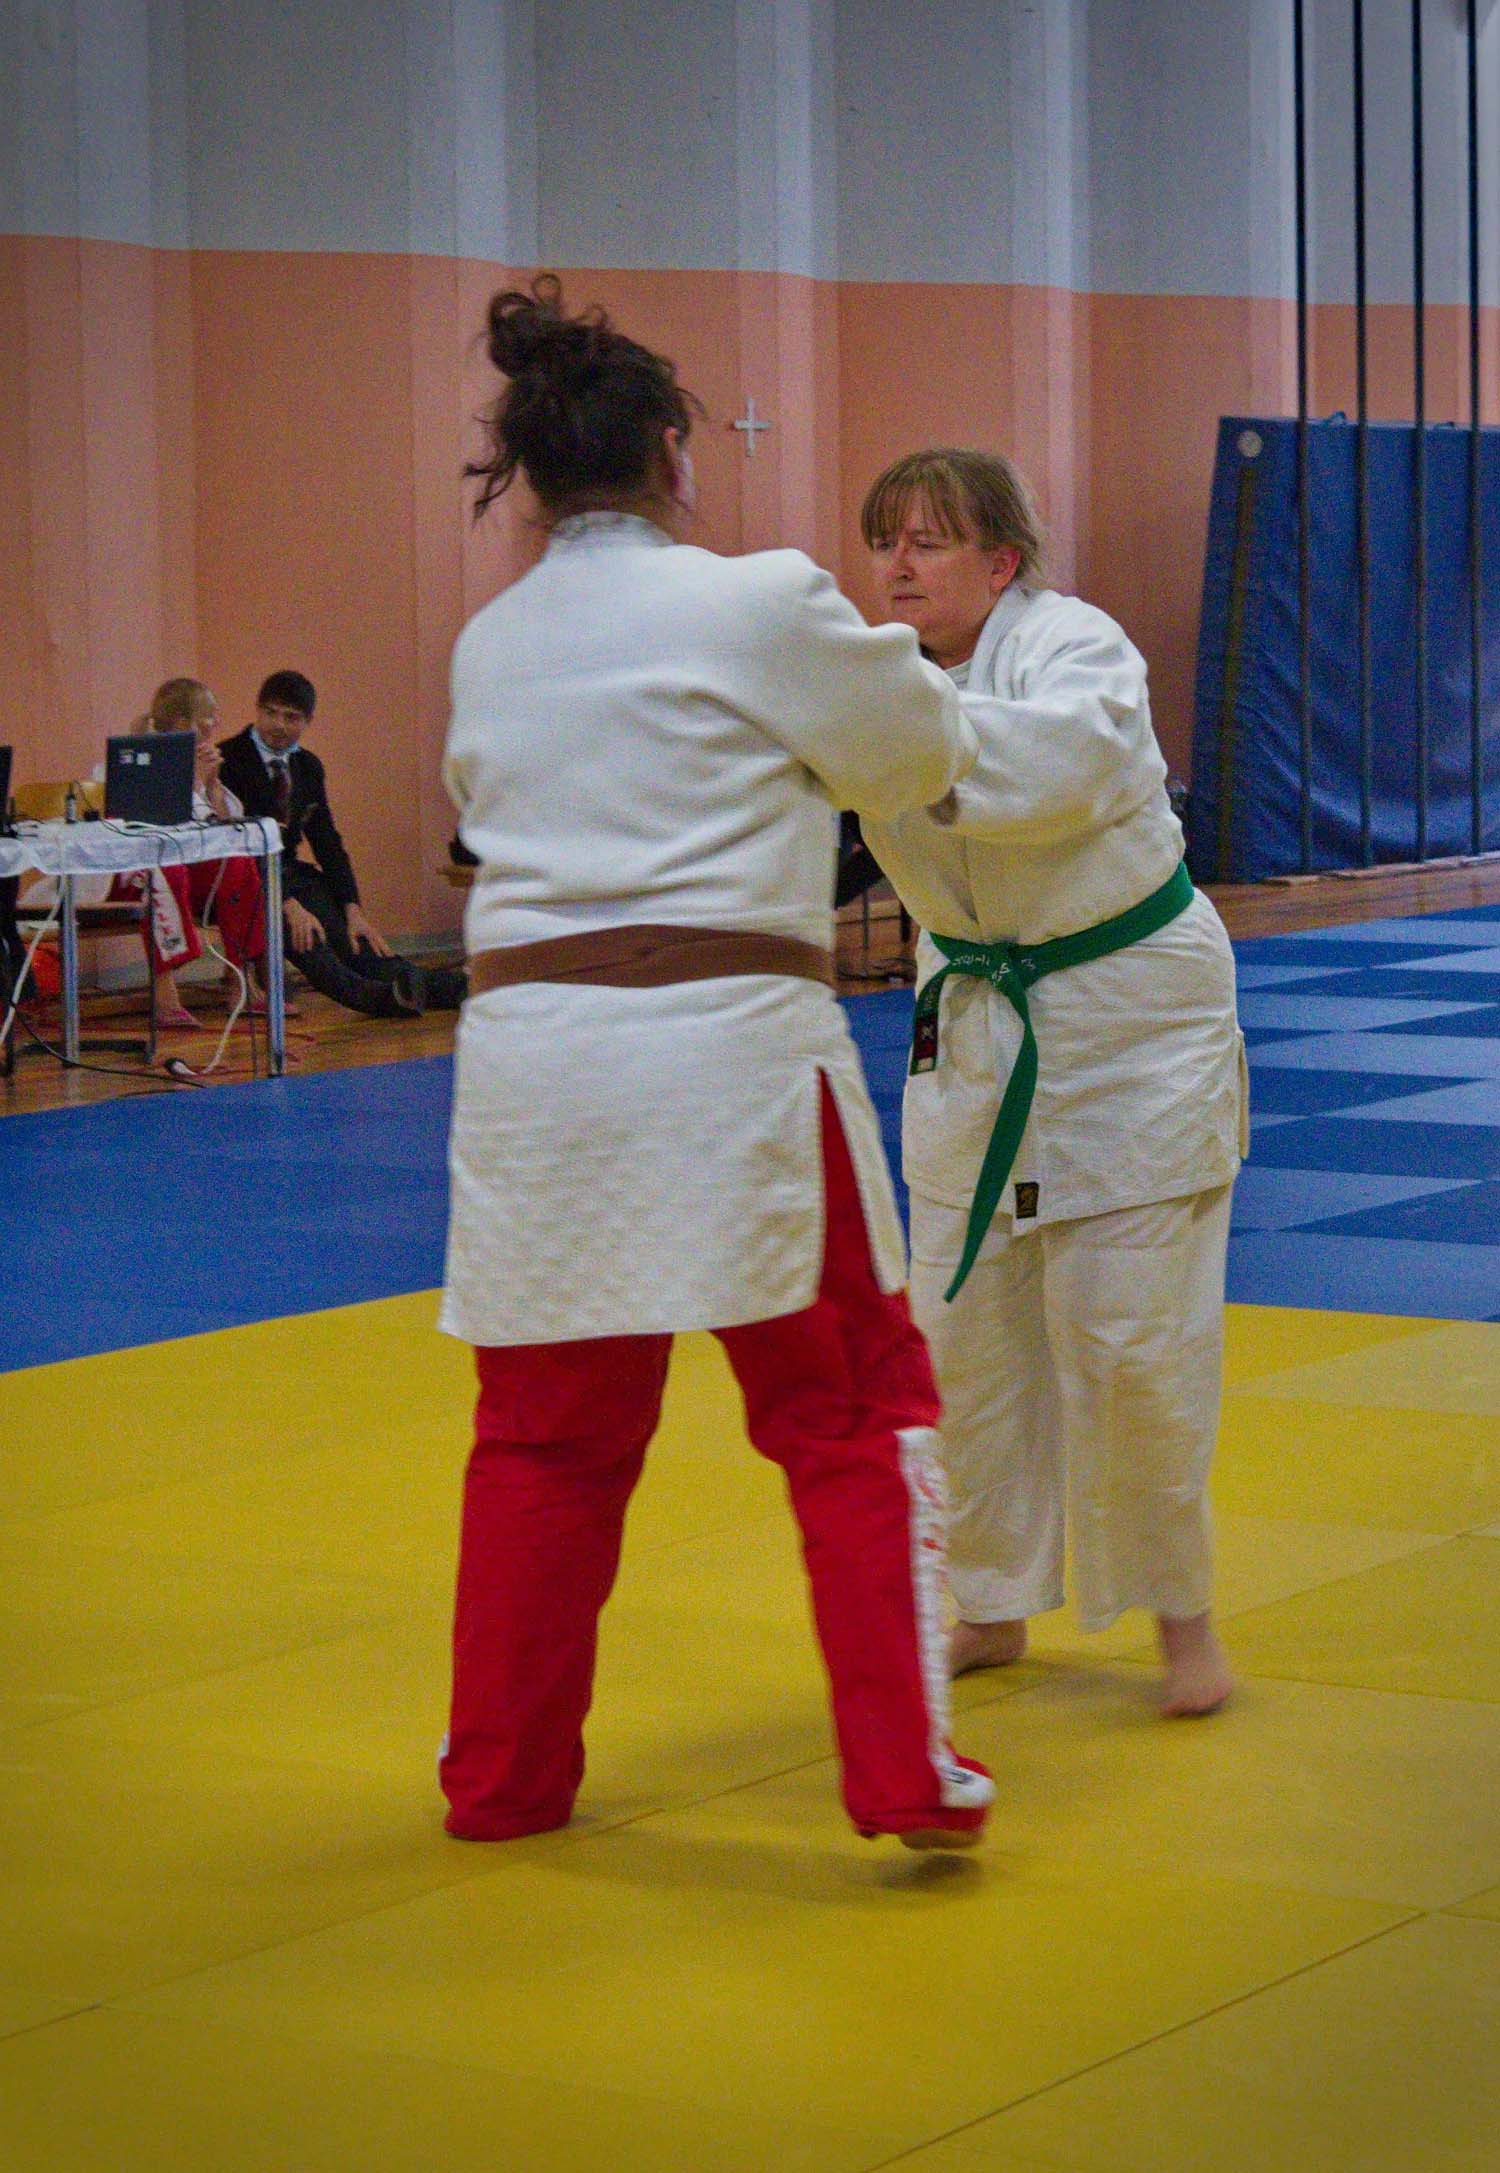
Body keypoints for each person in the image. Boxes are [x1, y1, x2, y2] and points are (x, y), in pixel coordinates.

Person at [438, 277, 994, 1850]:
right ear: (675, 453)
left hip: (534, 1068)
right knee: (851, 1410)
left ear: (532, 477)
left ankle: (503, 1782)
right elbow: (917, 753)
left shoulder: (490, 642)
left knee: (544, 1435)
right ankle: (904, 1772)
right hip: (729, 1051)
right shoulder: (760, 597)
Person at [857, 448, 1247, 1717]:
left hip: (1131, 1023)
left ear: (1002, 561)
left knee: (1133, 1337)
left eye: (928, 540)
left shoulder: (1080, 649)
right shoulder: (878, 680)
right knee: (962, 1334)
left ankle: (1182, 1617)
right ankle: (988, 1600)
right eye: (885, 541)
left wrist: (891, 739)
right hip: (973, 1017)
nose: (898, 564)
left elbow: (1060, 770)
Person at [218, 672, 463, 1018]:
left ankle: (455, 988)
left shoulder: (307, 766)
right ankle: (378, 999)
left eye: (291, 717)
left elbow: (327, 842)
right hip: (249, 877)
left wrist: (352, 907)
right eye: (271, 713)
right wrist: (286, 902)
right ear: (257, 710)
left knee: (356, 943)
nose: (279, 725)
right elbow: (235, 844)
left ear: (308, 721)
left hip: (293, 871)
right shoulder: (228, 760)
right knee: (309, 940)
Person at [115, 678, 267, 1028]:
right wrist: (195, 782)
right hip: (134, 875)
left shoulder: (204, 763)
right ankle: (164, 991)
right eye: (209, 718)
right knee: (165, 870)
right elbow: (158, 830)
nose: (216, 725)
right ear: (186, 725)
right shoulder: (137, 759)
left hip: (185, 873)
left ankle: (240, 979)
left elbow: (227, 831)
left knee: (239, 864)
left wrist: (211, 786)